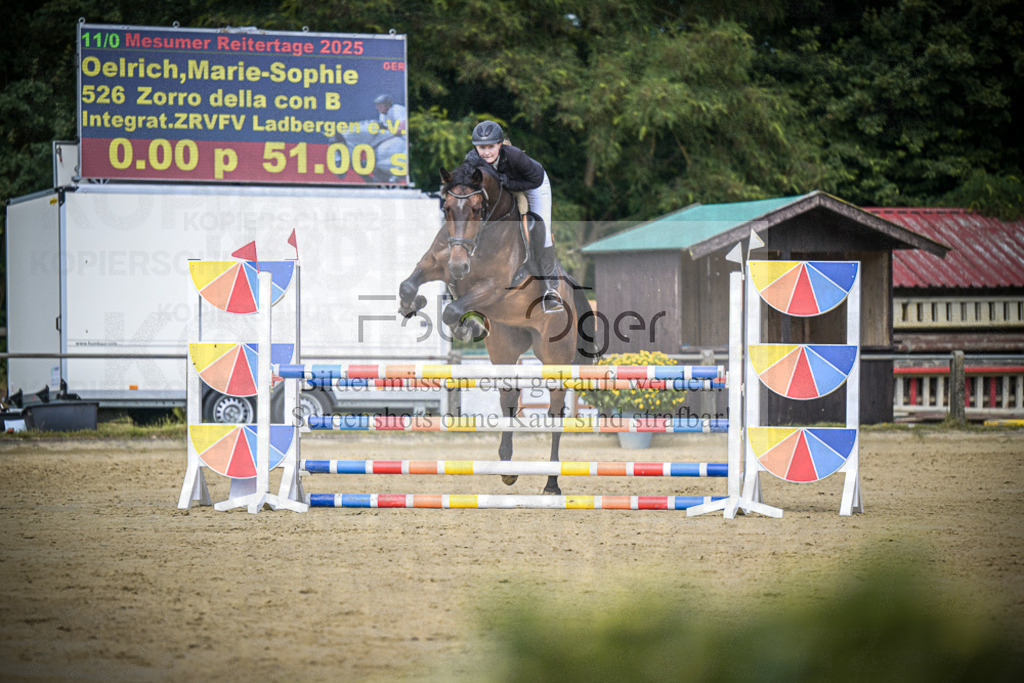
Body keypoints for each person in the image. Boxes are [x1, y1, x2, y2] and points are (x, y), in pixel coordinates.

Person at [464, 120, 561, 313]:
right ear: (476, 147)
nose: (487, 152)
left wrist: (507, 182)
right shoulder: (472, 160)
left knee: (539, 228)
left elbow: (533, 180)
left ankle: (550, 288)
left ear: (500, 145)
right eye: (482, 147)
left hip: (533, 186)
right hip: (503, 189)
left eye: (491, 146)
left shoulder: (515, 156)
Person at [373, 94, 407, 182]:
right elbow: (388, 132)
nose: (377, 108)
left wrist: (388, 130)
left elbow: (402, 129)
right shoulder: (382, 116)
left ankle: (397, 174)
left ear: (387, 105)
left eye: (379, 105)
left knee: (405, 153)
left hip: (408, 137)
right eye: (377, 105)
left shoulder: (397, 109)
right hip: (399, 137)